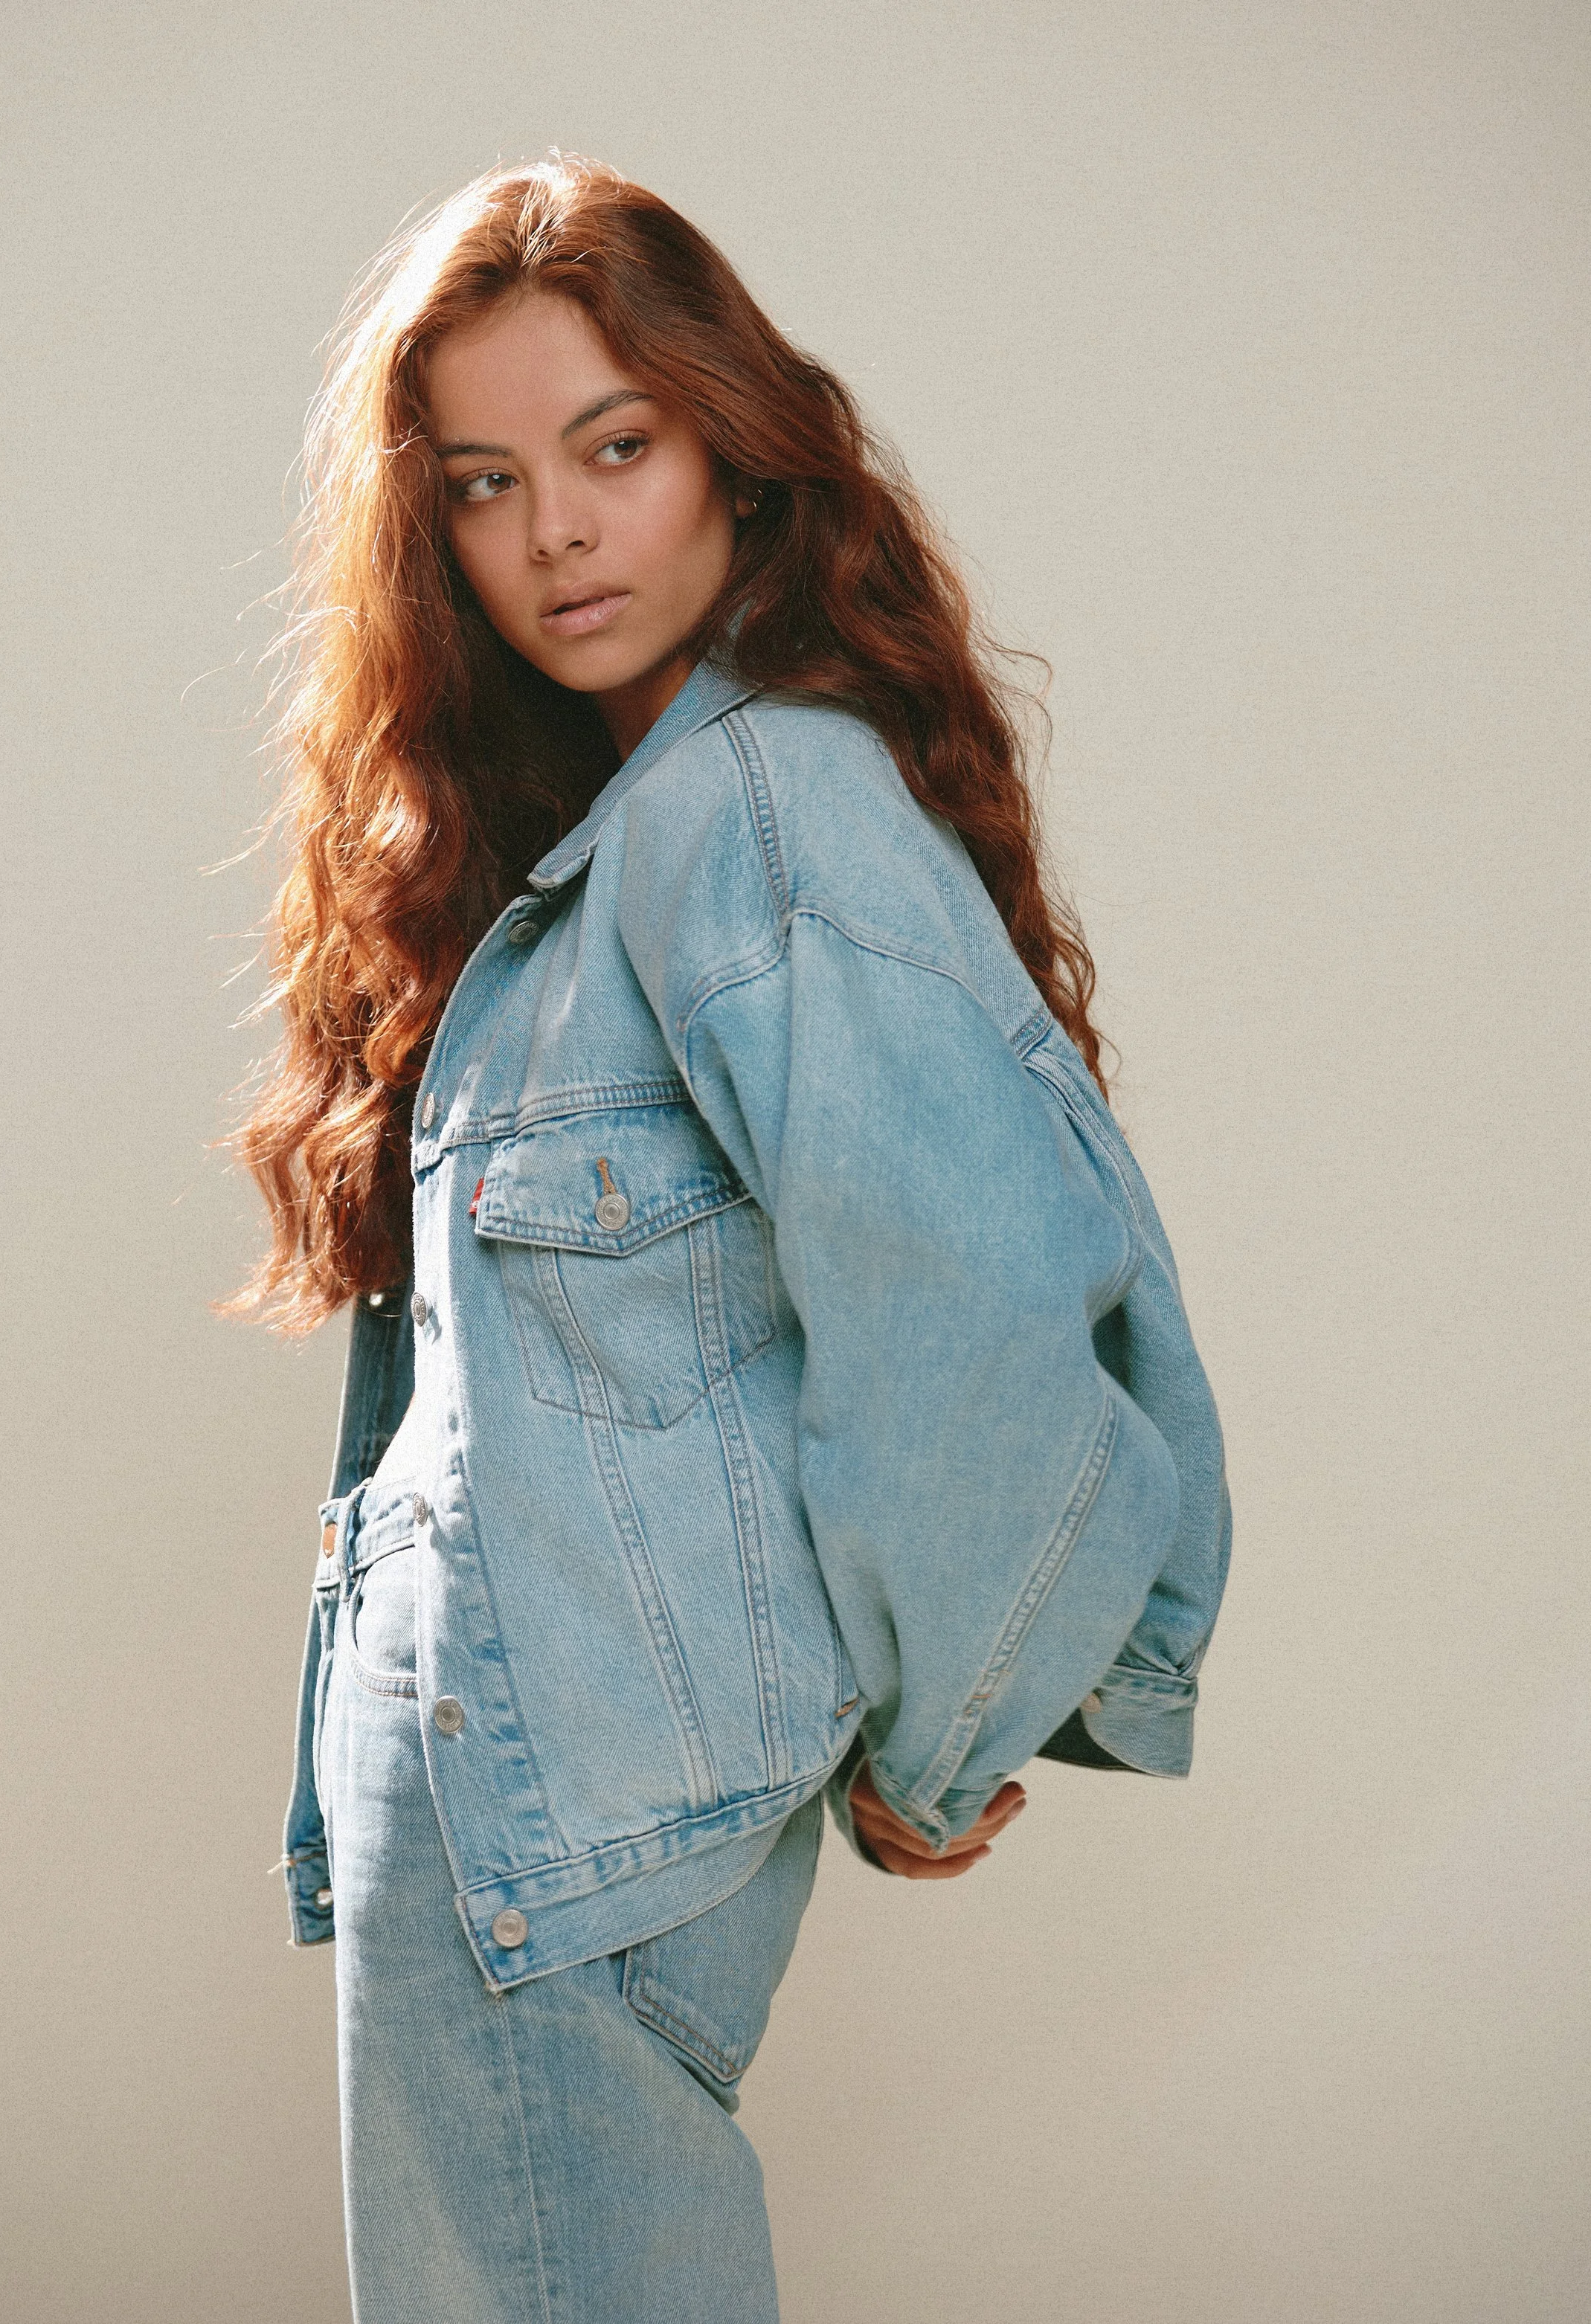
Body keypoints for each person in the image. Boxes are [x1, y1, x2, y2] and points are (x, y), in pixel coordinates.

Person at [237, 153, 1231, 2323]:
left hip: (553, 1829)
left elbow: (962, 1293)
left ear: (738, 455)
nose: (557, 532)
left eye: (614, 446)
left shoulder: (756, 808)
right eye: (484, 483)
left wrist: (945, 1715)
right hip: (497, 1799)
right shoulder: (619, 837)